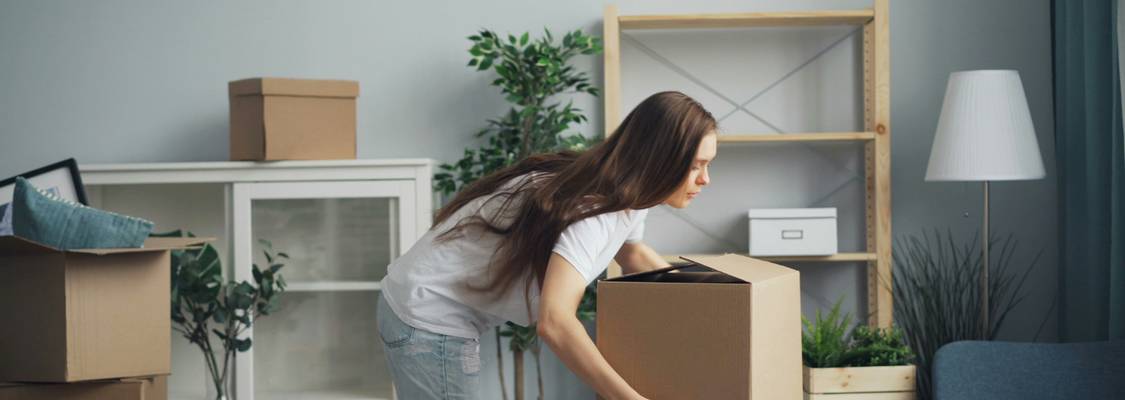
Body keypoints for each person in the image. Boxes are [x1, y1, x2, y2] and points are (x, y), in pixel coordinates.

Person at [377, 91, 718, 400]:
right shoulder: (592, 211)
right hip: (427, 312)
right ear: (659, 160)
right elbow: (554, 322)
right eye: (696, 166)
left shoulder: (629, 197)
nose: (706, 179)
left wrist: (707, 302)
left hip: (428, 302)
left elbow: (633, 254)